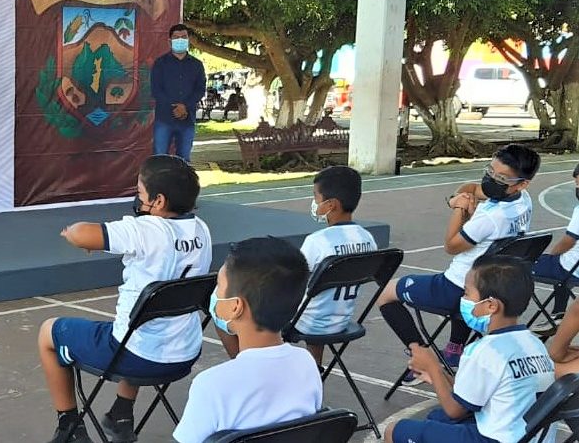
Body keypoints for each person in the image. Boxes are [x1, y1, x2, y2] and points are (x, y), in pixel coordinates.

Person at [38, 155, 212, 443]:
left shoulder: (145, 229)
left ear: (158, 201)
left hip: (136, 357)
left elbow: (82, 233)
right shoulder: (201, 229)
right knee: (143, 323)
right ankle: (121, 414)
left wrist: (73, 235)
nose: (137, 199)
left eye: (140, 193)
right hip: (184, 355)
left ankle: (70, 426)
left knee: (48, 332)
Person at [377, 144, 538, 385]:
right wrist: (459, 196)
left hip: (455, 287)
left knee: (386, 293)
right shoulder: (522, 201)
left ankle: (421, 356)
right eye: (490, 171)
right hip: (487, 287)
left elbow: (451, 245)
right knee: (468, 287)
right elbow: (474, 188)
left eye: (501, 177)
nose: (491, 179)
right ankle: (454, 350)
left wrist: (459, 209)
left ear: (521, 183)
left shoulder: (490, 217)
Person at [215, 166, 377, 366]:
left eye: (316, 198)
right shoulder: (367, 238)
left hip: (307, 322)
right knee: (319, 299)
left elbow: (292, 280)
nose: (314, 203)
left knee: (223, 310)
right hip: (341, 319)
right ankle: (314, 366)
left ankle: (246, 365)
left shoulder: (317, 241)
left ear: (331, 205)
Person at [385, 255, 554, 443]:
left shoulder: (483, 350)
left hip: (495, 439)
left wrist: (432, 365)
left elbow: (455, 411)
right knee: (436, 418)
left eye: (466, 293)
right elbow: (469, 394)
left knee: (395, 431)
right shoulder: (534, 343)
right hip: (528, 436)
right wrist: (438, 374)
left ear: (491, 305)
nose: (463, 299)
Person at [174, 237, 320, 442]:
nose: (215, 293)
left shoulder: (211, 385)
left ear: (235, 306)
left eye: (219, 285)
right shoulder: (307, 363)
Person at [530, 162, 579, 332]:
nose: (577, 187)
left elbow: (568, 241)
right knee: (563, 267)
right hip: (573, 267)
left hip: (572, 268)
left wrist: (552, 255)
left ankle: (506, 316)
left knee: (521, 266)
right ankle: (558, 314)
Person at [150, 24, 205, 162]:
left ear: (188, 39)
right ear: (169, 41)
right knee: (160, 158)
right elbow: (156, 90)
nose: (180, 40)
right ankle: (159, 184)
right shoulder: (160, 64)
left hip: (187, 120)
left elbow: (200, 90)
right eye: (176, 37)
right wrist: (175, 107)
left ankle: (183, 184)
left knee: (184, 159)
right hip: (164, 119)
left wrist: (185, 107)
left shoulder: (197, 65)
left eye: (184, 37)